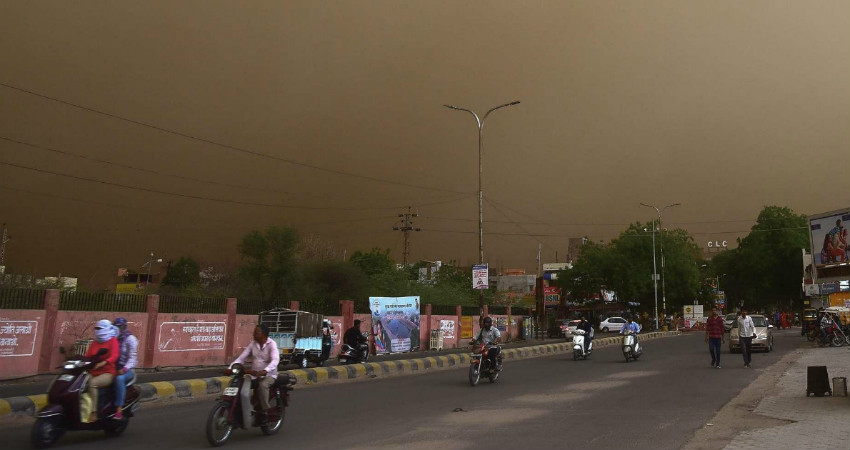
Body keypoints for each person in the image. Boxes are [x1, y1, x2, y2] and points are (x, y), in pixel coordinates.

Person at [230, 324, 279, 425]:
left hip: (269, 375)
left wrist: (265, 370)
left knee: (262, 386)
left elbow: (275, 360)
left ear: (264, 334)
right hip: (254, 375)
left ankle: (265, 412)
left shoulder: (272, 344)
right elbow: (241, 358)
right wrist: (230, 368)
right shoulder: (253, 344)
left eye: (256, 332)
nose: (253, 334)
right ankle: (241, 406)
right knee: (239, 383)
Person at [83, 319, 119, 422]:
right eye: (96, 328)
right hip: (93, 371)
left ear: (106, 329)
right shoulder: (95, 342)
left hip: (108, 372)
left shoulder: (112, 340)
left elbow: (115, 355)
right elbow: (88, 355)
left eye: (100, 328)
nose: (97, 330)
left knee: (92, 383)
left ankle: (94, 413)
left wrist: (104, 362)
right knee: (79, 381)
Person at [112, 317, 138, 419]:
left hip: (127, 370)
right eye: (117, 327)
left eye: (121, 327)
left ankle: (119, 408)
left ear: (124, 327)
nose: (119, 329)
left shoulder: (131, 339)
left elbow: (133, 358)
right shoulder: (112, 338)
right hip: (113, 367)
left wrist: (124, 369)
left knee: (119, 379)